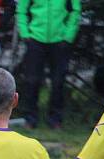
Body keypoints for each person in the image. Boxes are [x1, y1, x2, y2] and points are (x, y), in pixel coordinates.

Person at [17, 0, 81, 129]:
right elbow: (21, 10)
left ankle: (55, 119)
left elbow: (75, 10)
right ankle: (30, 119)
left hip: (60, 40)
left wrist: (68, 36)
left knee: (58, 82)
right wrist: (25, 33)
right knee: (32, 81)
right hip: (35, 39)